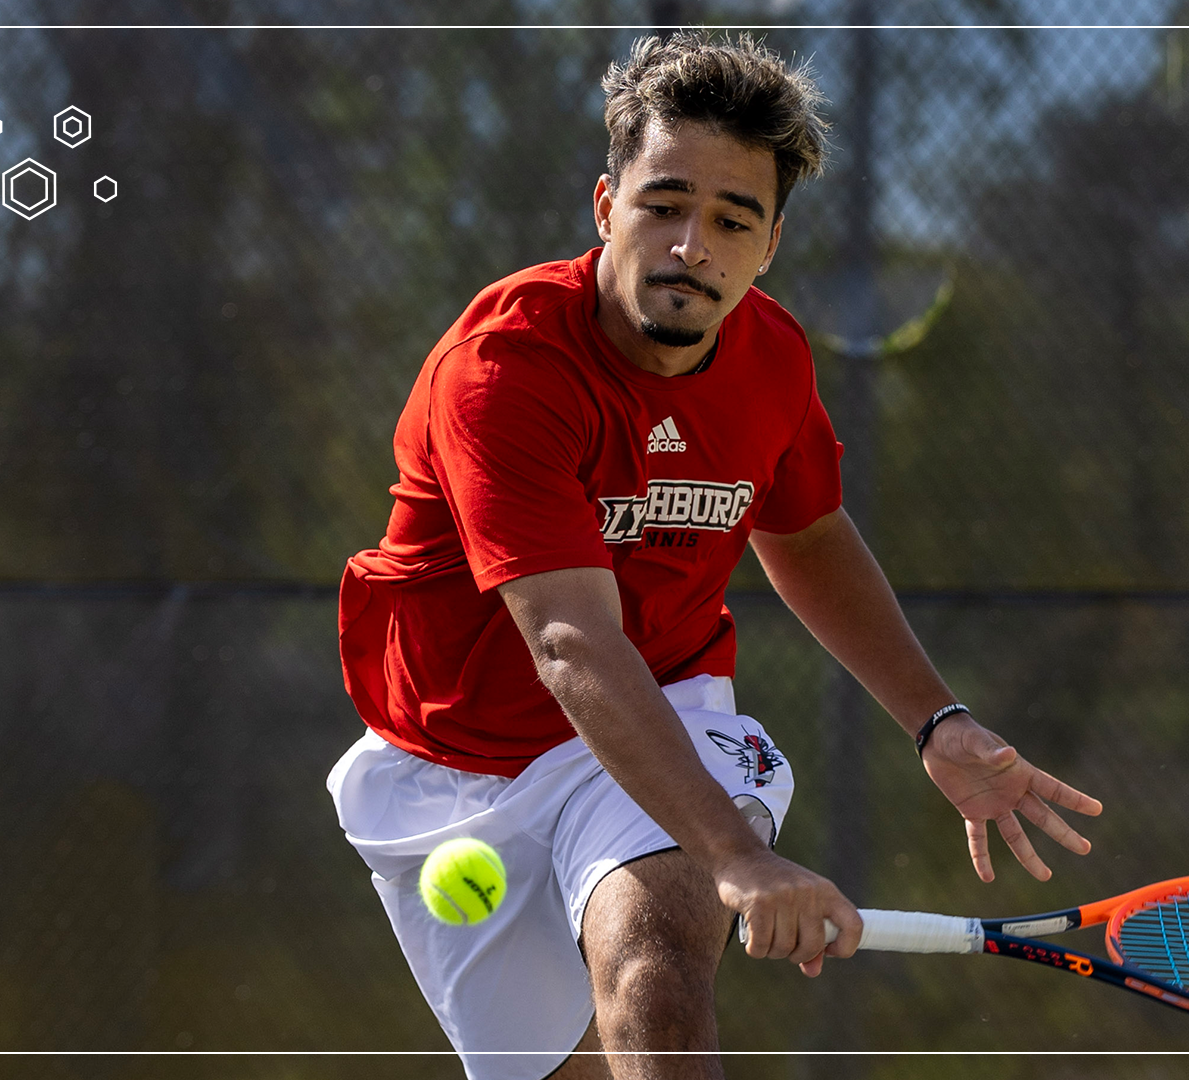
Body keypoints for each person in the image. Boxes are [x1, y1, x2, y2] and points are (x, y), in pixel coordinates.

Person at [328, 30, 1102, 1080]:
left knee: (657, 968)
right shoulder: (504, 369)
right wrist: (739, 856)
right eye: (664, 205)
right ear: (608, 208)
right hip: (449, 761)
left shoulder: (772, 358)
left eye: (732, 218)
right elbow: (567, 639)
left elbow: (810, 533)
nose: (693, 245)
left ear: (769, 243)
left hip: (666, 697)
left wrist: (937, 719)